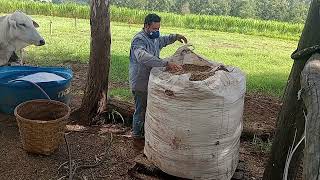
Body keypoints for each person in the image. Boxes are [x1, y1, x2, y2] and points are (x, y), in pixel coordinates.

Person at [129, 13, 187, 139]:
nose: (157, 31)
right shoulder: (139, 40)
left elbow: (163, 40)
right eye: (154, 29)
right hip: (140, 81)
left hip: (150, 80)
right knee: (141, 109)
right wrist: (165, 63)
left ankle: (146, 132)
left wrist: (175, 37)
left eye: (158, 29)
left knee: (149, 108)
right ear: (146, 26)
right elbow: (142, 56)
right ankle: (137, 135)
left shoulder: (154, 38)